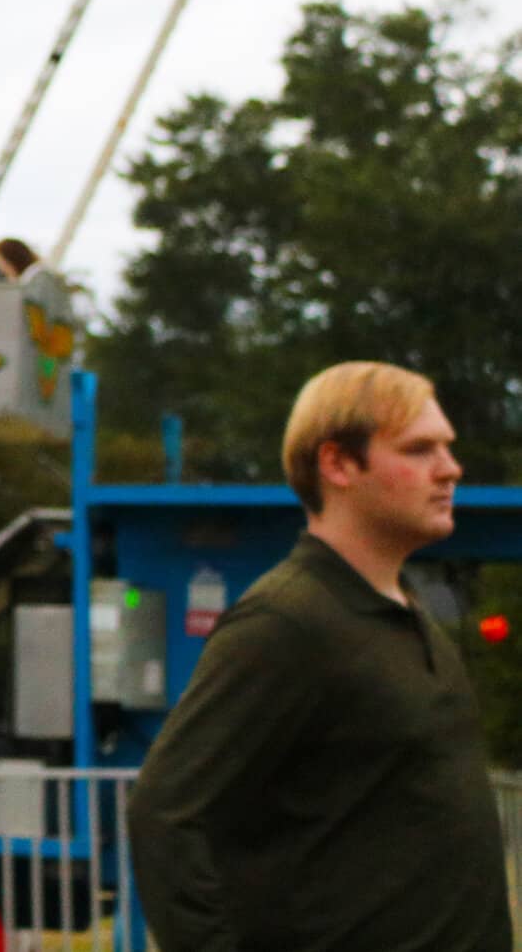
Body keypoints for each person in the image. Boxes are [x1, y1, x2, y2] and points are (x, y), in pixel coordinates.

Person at [127, 361, 507, 951]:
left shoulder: (412, 614)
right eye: (420, 449)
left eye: (448, 448)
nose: (450, 469)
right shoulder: (287, 621)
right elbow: (164, 814)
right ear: (337, 464)